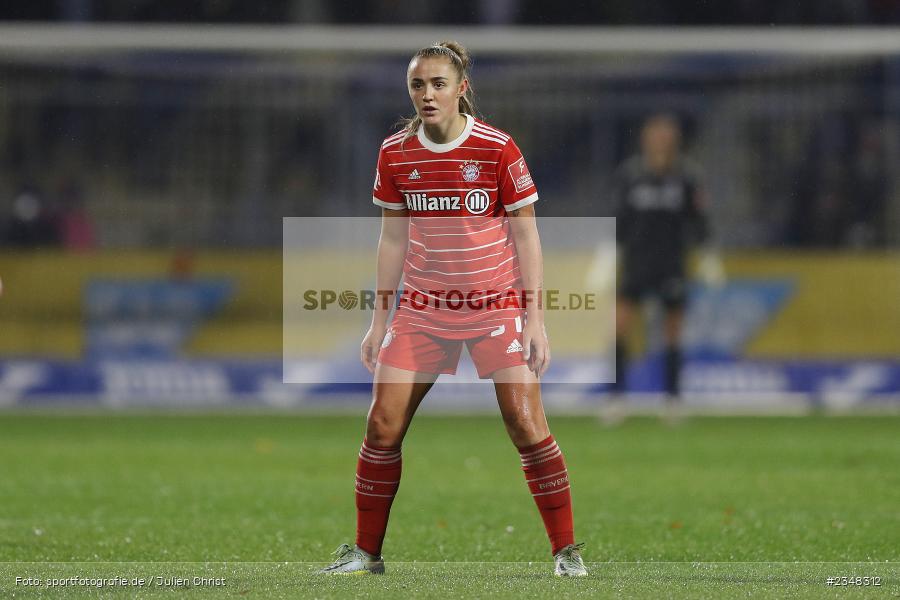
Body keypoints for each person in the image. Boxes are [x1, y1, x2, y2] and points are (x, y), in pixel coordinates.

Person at [317, 41, 587, 577]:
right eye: (418, 84)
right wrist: (379, 321)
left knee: (526, 424)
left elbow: (527, 237)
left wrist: (534, 319)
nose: (427, 94)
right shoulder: (395, 153)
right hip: (422, 310)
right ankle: (367, 554)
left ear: (462, 88)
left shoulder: (497, 148)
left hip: (494, 305)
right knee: (382, 426)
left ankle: (566, 552)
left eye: (439, 83)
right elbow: (392, 241)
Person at [607, 114, 723, 406]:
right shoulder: (631, 175)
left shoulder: (687, 177)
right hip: (637, 261)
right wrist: (609, 257)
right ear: (646, 138)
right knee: (619, 325)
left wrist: (709, 256)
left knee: (672, 331)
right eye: (655, 135)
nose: (660, 140)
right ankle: (617, 396)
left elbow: (699, 221)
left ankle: (672, 398)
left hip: (671, 261)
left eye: (666, 135)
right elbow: (620, 220)